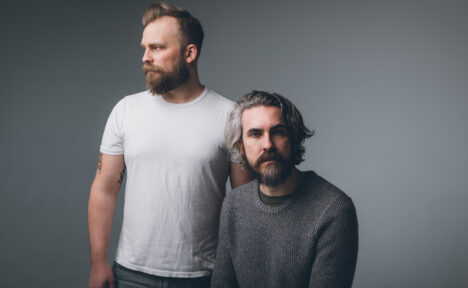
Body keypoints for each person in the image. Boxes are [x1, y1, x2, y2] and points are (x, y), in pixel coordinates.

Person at [87, 3, 251, 288]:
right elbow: (104, 190)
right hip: (130, 275)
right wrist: (98, 262)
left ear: (190, 53)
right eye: (144, 48)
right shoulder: (126, 110)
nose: (145, 57)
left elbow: (245, 203)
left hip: (203, 277)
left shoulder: (230, 116)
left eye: (157, 48)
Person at [211, 91, 359, 287]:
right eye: (255, 134)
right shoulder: (233, 204)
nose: (268, 145)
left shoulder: (334, 211)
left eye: (278, 132)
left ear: (294, 138)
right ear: (241, 146)